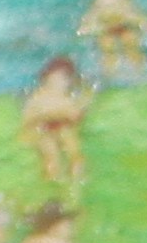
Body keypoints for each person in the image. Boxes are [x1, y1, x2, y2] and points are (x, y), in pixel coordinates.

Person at [18, 52, 95, 194]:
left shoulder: (66, 98)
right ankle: (52, 179)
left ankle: (78, 178)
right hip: (41, 130)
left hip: (61, 127)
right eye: (55, 79)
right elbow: (29, 119)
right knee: (51, 154)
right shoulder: (39, 97)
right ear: (46, 78)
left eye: (65, 79)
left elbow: (74, 115)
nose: (60, 83)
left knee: (73, 148)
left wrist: (82, 106)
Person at [78, 0, 147, 82]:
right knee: (108, 48)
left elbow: (131, 9)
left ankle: (142, 73)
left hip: (124, 23)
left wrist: (142, 20)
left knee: (132, 44)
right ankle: (109, 77)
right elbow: (94, 12)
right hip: (106, 26)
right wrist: (86, 25)